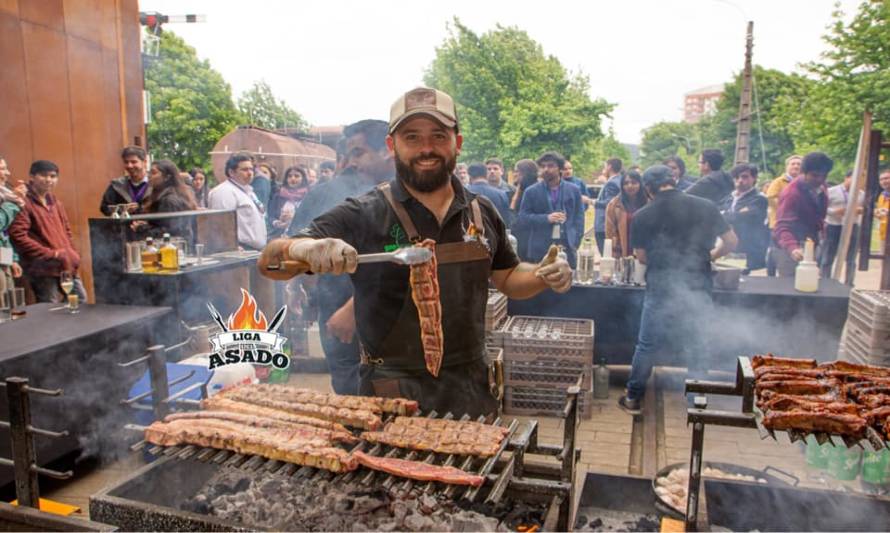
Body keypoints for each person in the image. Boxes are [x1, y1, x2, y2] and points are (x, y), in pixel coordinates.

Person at [258, 87, 572, 417]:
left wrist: (542, 274)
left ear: (457, 143)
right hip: (390, 392)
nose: (426, 148)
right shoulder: (365, 211)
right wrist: (308, 248)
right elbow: (271, 262)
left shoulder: (482, 211)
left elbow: (508, 276)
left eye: (438, 135)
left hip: (470, 390)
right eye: (412, 137)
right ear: (393, 147)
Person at [618, 165, 737, 413]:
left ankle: (633, 398)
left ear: (648, 189)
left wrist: (665, 262)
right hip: (698, 284)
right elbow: (732, 241)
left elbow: (641, 257)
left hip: (661, 286)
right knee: (697, 342)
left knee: (647, 344)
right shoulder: (706, 206)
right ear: (674, 181)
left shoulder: (643, 214)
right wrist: (710, 256)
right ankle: (697, 400)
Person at [289, 119, 395, 395]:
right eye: (348, 155)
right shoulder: (330, 195)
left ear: (387, 150)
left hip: (379, 312)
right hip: (336, 305)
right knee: (351, 385)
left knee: (380, 387)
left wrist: (352, 307)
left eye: (358, 153)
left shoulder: (401, 197)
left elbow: (398, 260)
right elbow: (296, 249)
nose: (351, 162)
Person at [8, 160, 87, 303]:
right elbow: (18, 236)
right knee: (49, 310)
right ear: (32, 177)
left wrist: (72, 254)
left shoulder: (55, 201)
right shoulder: (23, 202)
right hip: (43, 268)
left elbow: (67, 231)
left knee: (80, 301)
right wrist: (52, 254)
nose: (49, 180)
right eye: (44, 175)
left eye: (53, 176)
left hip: (66, 265)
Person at [517, 151, 584, 268]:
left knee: (566, 284)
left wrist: (576, 240)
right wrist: (546, 218)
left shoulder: (574, 190)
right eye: (543, 166)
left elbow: (579, 217)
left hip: (567, 246)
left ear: (560, 168)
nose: (546, 169)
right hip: (540, 249)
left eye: (551, 165)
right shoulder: (531, 191)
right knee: (540, 284)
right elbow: (523, 218)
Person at [772, 152, 832, 278]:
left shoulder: (822, 187)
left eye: (824, 176)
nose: (820, 180)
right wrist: (793, 248)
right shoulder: (791, 193)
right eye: (815, 176)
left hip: (810, 244)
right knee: (788, 288)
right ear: (803, 173)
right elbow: (782, 226)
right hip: (789, 248)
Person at [208, 152, 268, 251]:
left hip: (255, 251)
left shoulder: (249, 191)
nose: (250, 173)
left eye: (251, 169)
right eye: (244, 169)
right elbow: (220, 225)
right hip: (241, 250)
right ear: (231, 172)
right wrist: (231, 247)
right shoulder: (224, 192)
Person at [720, 164, 769, 274]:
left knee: (752, 287)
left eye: (744, 177)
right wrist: (732, 214)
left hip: (751, 252)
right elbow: (718, 215)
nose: (740, 180)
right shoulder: (728, 198)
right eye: (736, 177)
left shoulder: (759, 199)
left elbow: (741, 218)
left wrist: (725, 214)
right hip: (730, 251)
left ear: (754, 178)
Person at [818, 170, 861, 284]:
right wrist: (834, 211)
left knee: (851, 258)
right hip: (833, 226)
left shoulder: (861, 194)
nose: (858, 182)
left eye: (861, 180)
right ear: (846, 178)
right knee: (828, 255)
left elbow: (867, 210)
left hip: (853, 226)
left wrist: (861, 210)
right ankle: (826, 281)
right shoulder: (831, 191)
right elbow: (821, 209)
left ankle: (849, 283)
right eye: (854, 178)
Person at [765, 155, 802, 276]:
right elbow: (771, 198)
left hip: (798, 225)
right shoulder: (778, 182)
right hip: (779, 223)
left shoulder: (804, 182)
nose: (796, 166)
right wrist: (787, 208)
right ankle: (772, 275)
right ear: (787, 166)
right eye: (793, 163)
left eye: (798, 164)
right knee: (777, 251)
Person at [605, 169, 647, 258]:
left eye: (634, 182)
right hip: (622, 251)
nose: (630, 186)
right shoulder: (614, 204)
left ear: (640, 184)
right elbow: (610, 232)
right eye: (626, 183)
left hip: (644, 251)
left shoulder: (648, 202)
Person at [99, 145, 150, 216]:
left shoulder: (157, 184)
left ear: (144, 162)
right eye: (126, 162)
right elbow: (104, 207)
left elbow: (164, 208)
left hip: (150, 226)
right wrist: (123, 210)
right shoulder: (117, 185)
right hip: (123, 226)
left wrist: (140, 208)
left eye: (134, 162)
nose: (129, 166)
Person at [0, 156, 25, 293]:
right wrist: (13, 203)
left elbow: (3, 233)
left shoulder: (4, 195)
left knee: (9, 308)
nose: (8, 173)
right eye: (2, 169)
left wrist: (12, 259)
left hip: (4, 262)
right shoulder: (8, 200)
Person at [509, 159, 539, 261]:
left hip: (527, 237)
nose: (514, 174)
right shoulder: (518, 188)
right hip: (519, 234)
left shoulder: (532, 191)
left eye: (517, 171)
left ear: (525, 173)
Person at [268, 166, 310, 239]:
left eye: (296, 176)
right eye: (289, 176)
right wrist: (277, 222)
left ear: (303, 178)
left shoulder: (309, 197)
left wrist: (293, 218)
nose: (292, 178)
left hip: (300, 238)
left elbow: (311, 219)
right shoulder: (278, 195)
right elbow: (270, 215)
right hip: (278, 237)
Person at [594, 158, 624, 254]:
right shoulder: (620, 180)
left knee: (606, 255)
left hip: (604, 224)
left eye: (605, 166)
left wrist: (590, 201)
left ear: (609, 166)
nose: (604, 169)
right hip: (615, 223)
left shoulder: (611, 183)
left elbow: (609, 203)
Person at [876, 168, 890, 252]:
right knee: (884, 261)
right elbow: (880, 214)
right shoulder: (881, 196)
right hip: (884, 235)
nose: (884, 181)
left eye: (886, 178)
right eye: (881, 179)